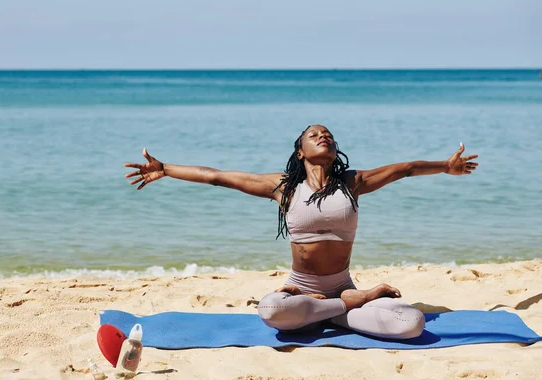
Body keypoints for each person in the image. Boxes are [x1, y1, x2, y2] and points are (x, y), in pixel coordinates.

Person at [124, 124, 478, 339]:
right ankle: (341, 308)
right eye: (314, 134)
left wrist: (446, 167)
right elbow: (217, 175)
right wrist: (166, 168)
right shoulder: (284, 188)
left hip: (341, 286)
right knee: (271, 309)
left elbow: (406, 169)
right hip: (301, 289)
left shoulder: (351, 183)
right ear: (300, 150)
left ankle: (332, 309)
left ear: (335, 149)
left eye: (328, 135)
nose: (323, 136)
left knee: (412, 322)